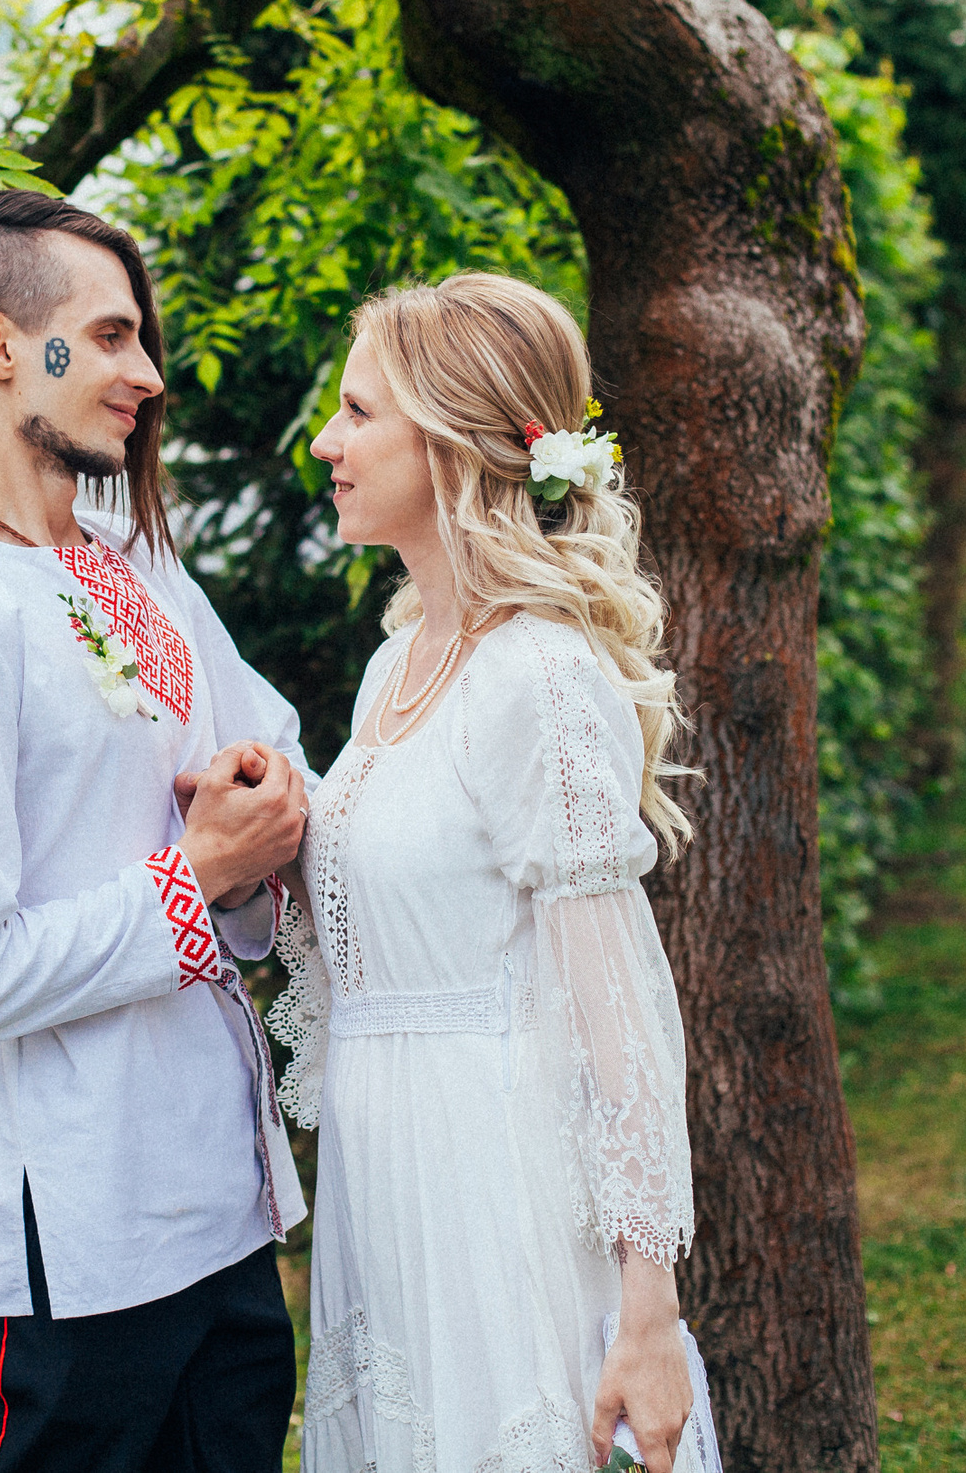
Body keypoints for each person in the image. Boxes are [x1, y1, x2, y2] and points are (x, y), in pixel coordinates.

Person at [0, 189, 314, 1473]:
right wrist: (197, 880)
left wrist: (253, 799)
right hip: (76, 1235)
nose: (145, 374)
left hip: (223, 1198)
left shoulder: (129, 556)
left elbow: (268, 753)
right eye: (109, 338)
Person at [274, 274, 722, 1473]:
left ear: (457, 443)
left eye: (359, 411)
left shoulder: (539, 677)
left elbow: (617, 1011)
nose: (327, 440)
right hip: (391, 1189)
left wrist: (648, 1309)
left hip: (503, 1187)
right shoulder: (395, 668)